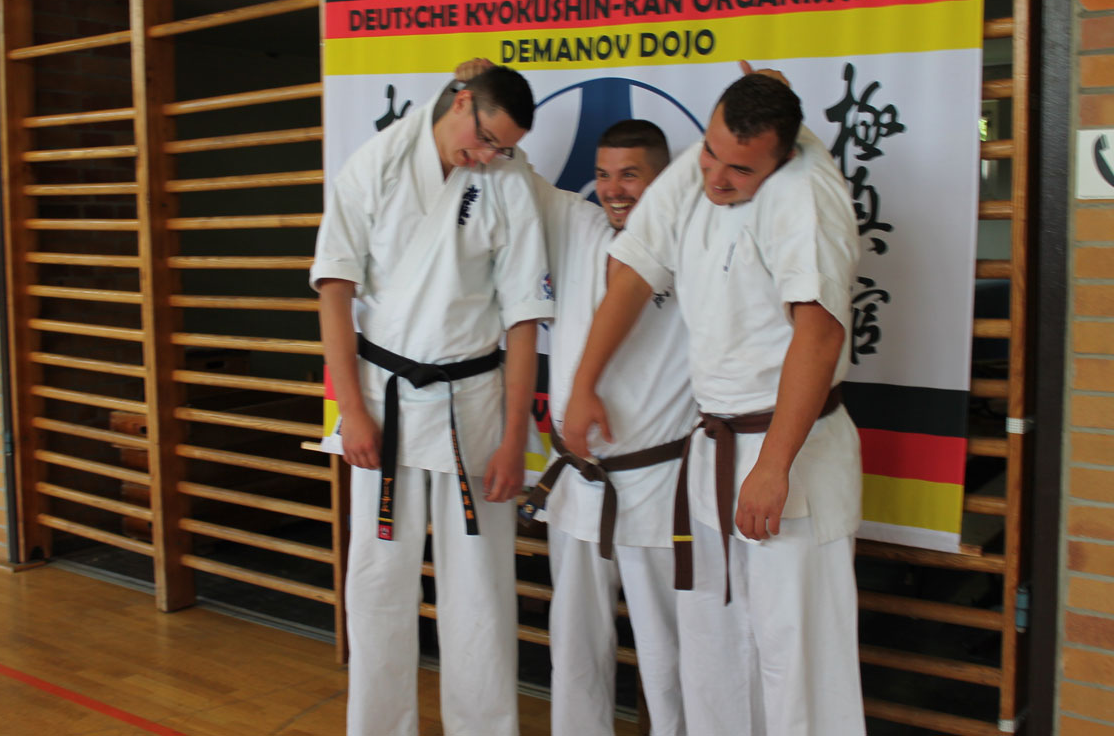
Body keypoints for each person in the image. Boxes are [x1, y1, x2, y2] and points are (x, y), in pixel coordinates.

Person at [563, 67, 867, 736]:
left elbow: (819, 335)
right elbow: (632, 272)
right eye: (711, 153)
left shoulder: (806, 195)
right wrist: (585, 382)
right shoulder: (700, 170)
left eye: (741, 169)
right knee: (714, 651)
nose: (717, 178)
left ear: (782, 156)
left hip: (789, 449)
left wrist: (774, 465)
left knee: (798, 660)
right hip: (712, 449)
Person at [310, 64, 553, 736]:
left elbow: (524, 318)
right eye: (485, 140)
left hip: (473, 405)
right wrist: (352, 411)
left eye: (503, 148)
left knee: (481, 594)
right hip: (383, 402)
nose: (488, 157)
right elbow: (335, 291)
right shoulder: (377, 164)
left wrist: (514, 438)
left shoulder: (506, 180)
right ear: (462, 102)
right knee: (377, 585)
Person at [518, 119, 693, 736]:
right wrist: (478, 95)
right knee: (574, 649)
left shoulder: (694, 242)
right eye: (604, 174)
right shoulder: (579, 227)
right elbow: (513, 172)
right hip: (576, 483)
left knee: (670, 656)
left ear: (664, 180)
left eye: (631, 175)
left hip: (659, 486)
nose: (614, 189)